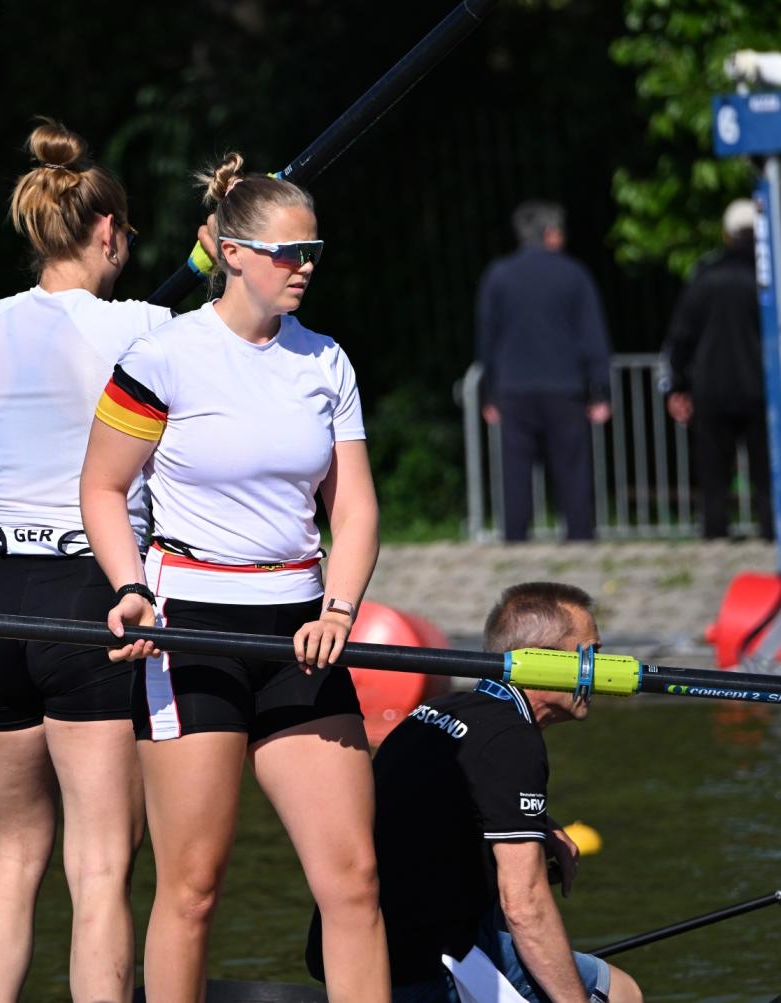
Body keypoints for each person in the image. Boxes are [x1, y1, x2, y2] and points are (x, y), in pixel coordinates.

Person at [80, 153, 389, 1002]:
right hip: (191, 630)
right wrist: (129, 588)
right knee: (193, 887)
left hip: (302, 631)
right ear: (233, 253)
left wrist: (339, 609)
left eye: (314, 251)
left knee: (355, 880)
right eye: (291, 252)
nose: (306, 267)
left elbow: (355, 508)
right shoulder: (162, 356)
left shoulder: (326, 360)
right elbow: (102, 489)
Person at [0, 119, 172, 1003]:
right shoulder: (145, 327)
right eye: (126, 234)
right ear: (107, 231)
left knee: (14, 846)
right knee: (102, 859)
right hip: (89, 595)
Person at [307, 582, 644, 1003]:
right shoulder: (511, 740)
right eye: (591, 654)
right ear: (546, 660)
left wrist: (540, 825)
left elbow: (432, 805)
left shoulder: (443, 708)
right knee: (621, 992)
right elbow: (525, 907)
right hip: (422, 960)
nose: (600, 670)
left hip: (349, 947)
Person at [476, 201, 613, 542]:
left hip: (513, 387)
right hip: (565, 386)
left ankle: (515, 538)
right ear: (551, 234)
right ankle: (579, 535)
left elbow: (487, 337)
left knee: (515, 469)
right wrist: (600, 389)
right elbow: (592, 335)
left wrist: (488, 392)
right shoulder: (574, 274)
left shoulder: (499, 275)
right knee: (572, 467)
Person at [661, 198, 772, 541]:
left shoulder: (706, 274)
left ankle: (715, 536)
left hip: (711, 387)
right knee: (768, 470)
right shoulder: (769, 277)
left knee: (713, 473)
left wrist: (677, 385)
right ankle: (772, 532)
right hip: (763, 387)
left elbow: (681, 335)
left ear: (726, 234)